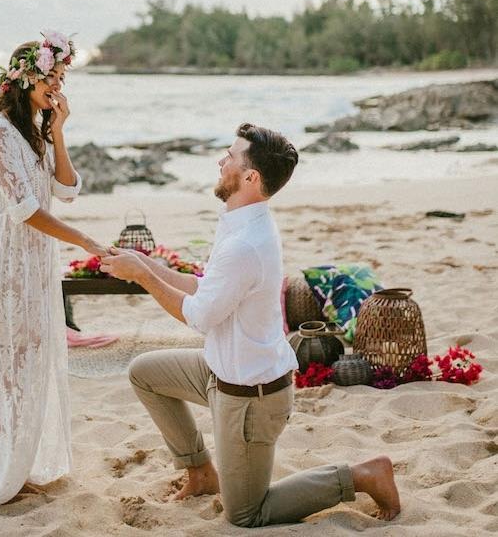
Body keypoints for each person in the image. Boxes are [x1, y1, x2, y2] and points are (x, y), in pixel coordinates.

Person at [100, 123, 400, 527]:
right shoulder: (240, 222)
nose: (220, 161)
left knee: (246, 513)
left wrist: (142, 276)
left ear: (250, 177)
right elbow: (207, 288)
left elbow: (199, 316)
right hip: (218, 373)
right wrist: (149, 265)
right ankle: (202, 472)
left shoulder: (246, 243)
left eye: (229, 156)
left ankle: (361, 475)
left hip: (251, 399)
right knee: (144, 373)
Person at [0, 32, 106, 512]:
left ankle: (23, 464)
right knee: (9, 365)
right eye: (52, 76)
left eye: (62, 78)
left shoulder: (35, 131)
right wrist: (82, 239)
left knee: (35, 360)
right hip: (11, 258)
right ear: (26, 77)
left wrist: (59, 129)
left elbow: (67, 190)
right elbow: (24, 210)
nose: (57, 85)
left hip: (40, 260)